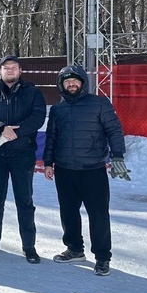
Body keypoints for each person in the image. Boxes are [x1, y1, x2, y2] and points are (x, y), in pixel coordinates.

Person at [43, 65, 130, 277]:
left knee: (98, 215)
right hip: (64, 170)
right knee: (68, 212)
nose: (71, 84)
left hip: (93, 170)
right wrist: (48, 162)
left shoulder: (100, 104)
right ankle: (74, 249)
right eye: (66, 81)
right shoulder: (57, 110)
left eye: (75, 80)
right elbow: (51, 138)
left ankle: (102, 257)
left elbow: (114, 131)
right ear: (61, 85)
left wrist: (117, 156)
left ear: (82, 82)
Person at [0, 55, 46, 263]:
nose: (10, 71)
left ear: (20, 71)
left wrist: (17, 132)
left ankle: (29, 246)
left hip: (22, 154)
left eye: (13, 68)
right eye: (6, 68)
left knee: (24, 201)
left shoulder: (32, 93)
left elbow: (38, 116)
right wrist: (0, 128)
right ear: (0, 71)